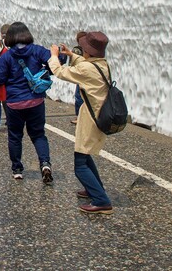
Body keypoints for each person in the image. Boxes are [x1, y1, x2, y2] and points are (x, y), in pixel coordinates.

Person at [49, 31, 114, 214]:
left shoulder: (87, 68)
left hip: (91, 119)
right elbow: (87, 65)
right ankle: (94, 189)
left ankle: (101, 201)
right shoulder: (103, 64)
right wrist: (71, 55)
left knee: (80, 164)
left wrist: (54, 56)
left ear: (88, 51)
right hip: (99, 115)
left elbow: (60, 72)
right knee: (85, 156)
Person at [0, 22, 60, 183]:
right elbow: (55, 62)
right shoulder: (37, 51)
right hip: (35, 101)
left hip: (14, 103)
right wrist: (57, 54)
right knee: (38, 134)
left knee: (15, 136)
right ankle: (45, 164)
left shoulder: (6, 57)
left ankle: (17, 169)